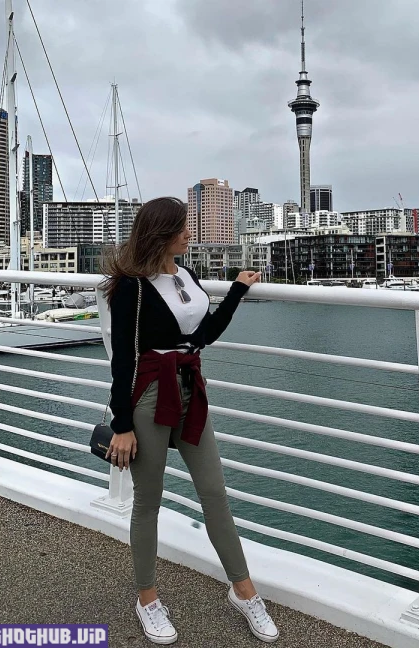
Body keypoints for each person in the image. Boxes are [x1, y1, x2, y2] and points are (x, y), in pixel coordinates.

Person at [100, 197, 278, 645]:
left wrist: (236, 291)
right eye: (181, 228)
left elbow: (202, 336)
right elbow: (123, 360)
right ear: (160, 233)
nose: (189, 233)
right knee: (148, 500)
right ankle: (147, 599)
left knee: (214, 491)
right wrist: (122, 425)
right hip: (148, 395)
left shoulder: (187, 274)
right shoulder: (131, 287)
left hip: (189, 390)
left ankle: (244, 591)